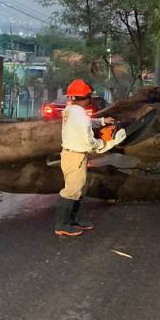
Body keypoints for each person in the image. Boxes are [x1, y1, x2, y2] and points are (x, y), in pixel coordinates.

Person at [54, 79, 117, 236]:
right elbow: (89, 142)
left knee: (79, 188)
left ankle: (73, 219)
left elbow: (86, 123)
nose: (90, 99)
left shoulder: (71, 110)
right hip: (75, 156)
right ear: (83, 98)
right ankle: (62, 225)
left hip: (72, 154)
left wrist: (102, 121)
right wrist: (105, 143)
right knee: (72, 190)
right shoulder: (80, 115)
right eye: (89, 97)